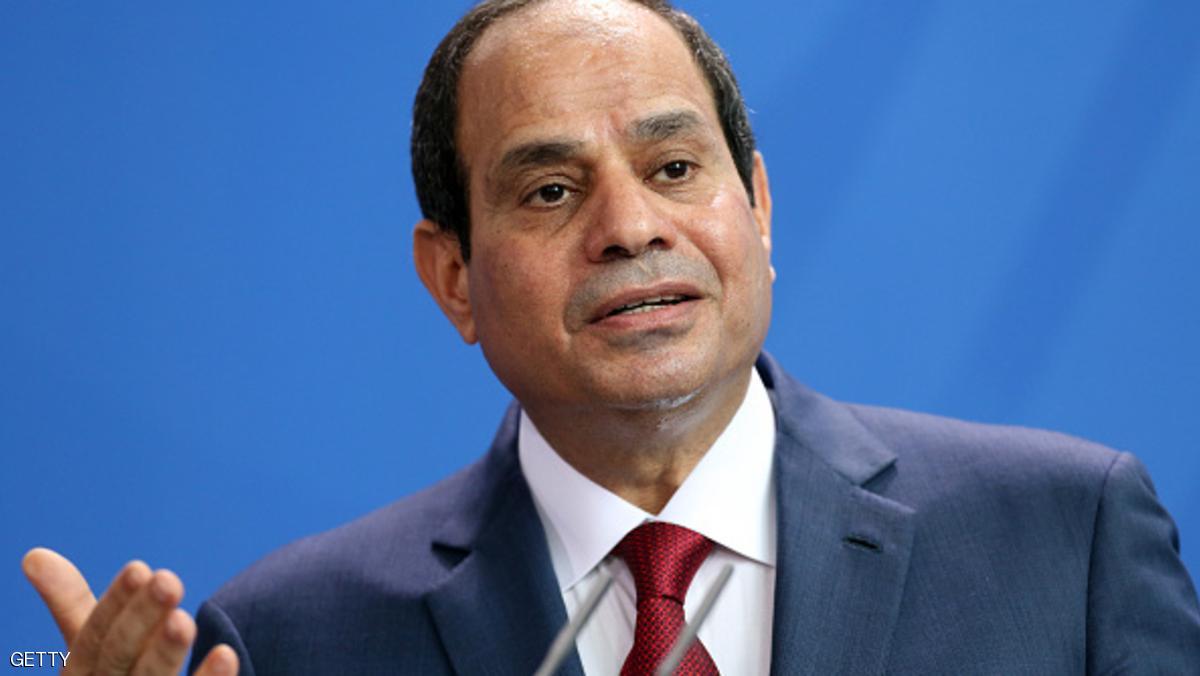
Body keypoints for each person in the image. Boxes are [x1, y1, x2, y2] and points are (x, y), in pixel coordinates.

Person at [23, 0, 1200, 673]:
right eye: (549, 191)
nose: (631, 227)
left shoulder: (1066, 538)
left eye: (676, 167)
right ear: (453, 279)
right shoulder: (291, 640)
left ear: (759, 208)